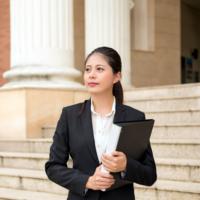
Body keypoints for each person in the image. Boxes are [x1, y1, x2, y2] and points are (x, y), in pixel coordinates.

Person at [45, 46, 157, 200]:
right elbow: (53, 167)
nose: (91, 75)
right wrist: (87, 181)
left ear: (116, 76)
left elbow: (150, 175)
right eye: (88, 69)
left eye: (99, 69)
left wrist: (125, 165)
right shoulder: (69, 116)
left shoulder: (134, 116)